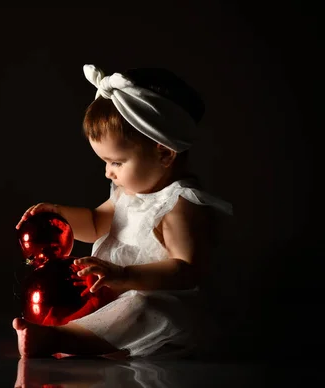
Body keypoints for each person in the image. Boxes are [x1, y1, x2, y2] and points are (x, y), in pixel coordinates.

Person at [12, 64, 233, 359]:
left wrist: (125, 275)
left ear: (164, 153)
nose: (108, 173)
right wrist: (58, 212)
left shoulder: (179, 204)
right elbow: (94, 221)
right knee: (95, 302)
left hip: (160, 303)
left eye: (116, 162)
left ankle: (58, 339)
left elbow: (186, 270)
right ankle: (65, 334)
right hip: (113, 292)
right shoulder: (126, 194)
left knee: (142, 308)